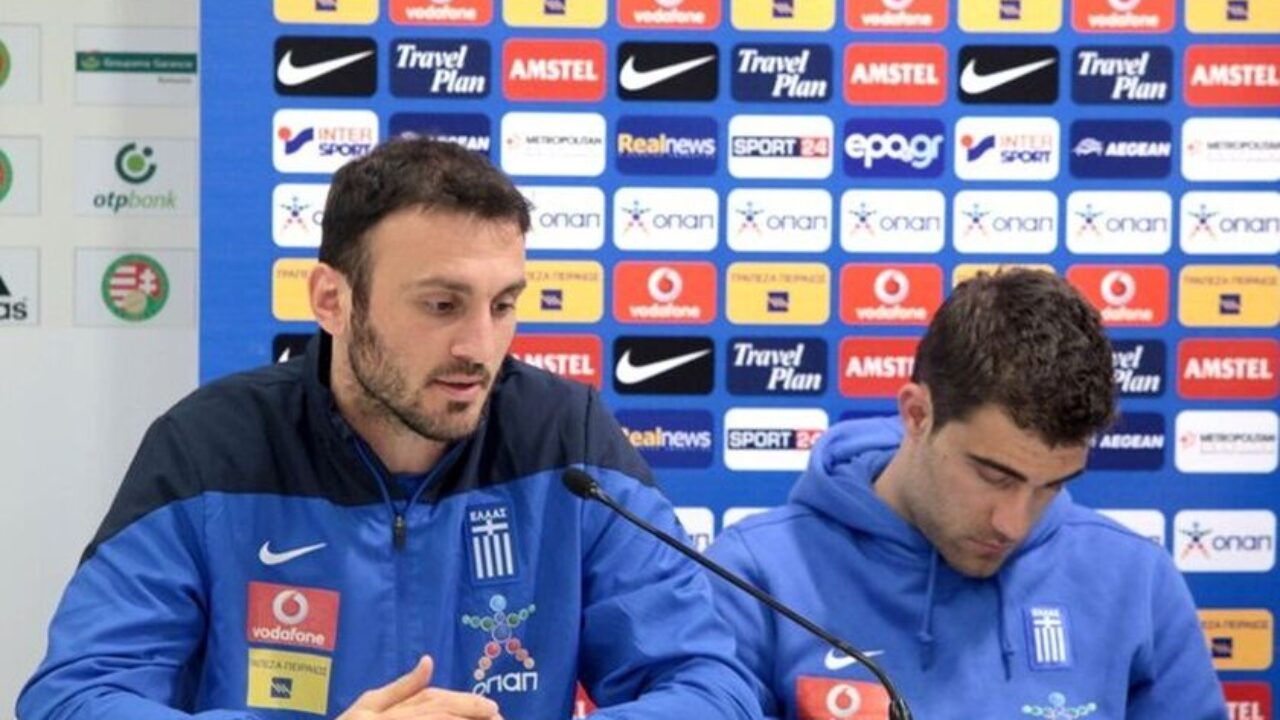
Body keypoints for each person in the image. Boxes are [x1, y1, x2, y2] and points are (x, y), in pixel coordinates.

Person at [18, 138, 762, 720]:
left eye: (503, 304)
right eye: (442, 305)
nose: (479, 346)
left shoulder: (568, 441)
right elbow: (75, 696)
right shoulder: (212, 447)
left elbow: (710, 687)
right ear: (332, 300)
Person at [707, 269, 1227, 719]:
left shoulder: (1135, 580)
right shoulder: (755, 578)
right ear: (917, 414)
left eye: (1051, 486)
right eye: (994, 476)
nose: (1013, 523)